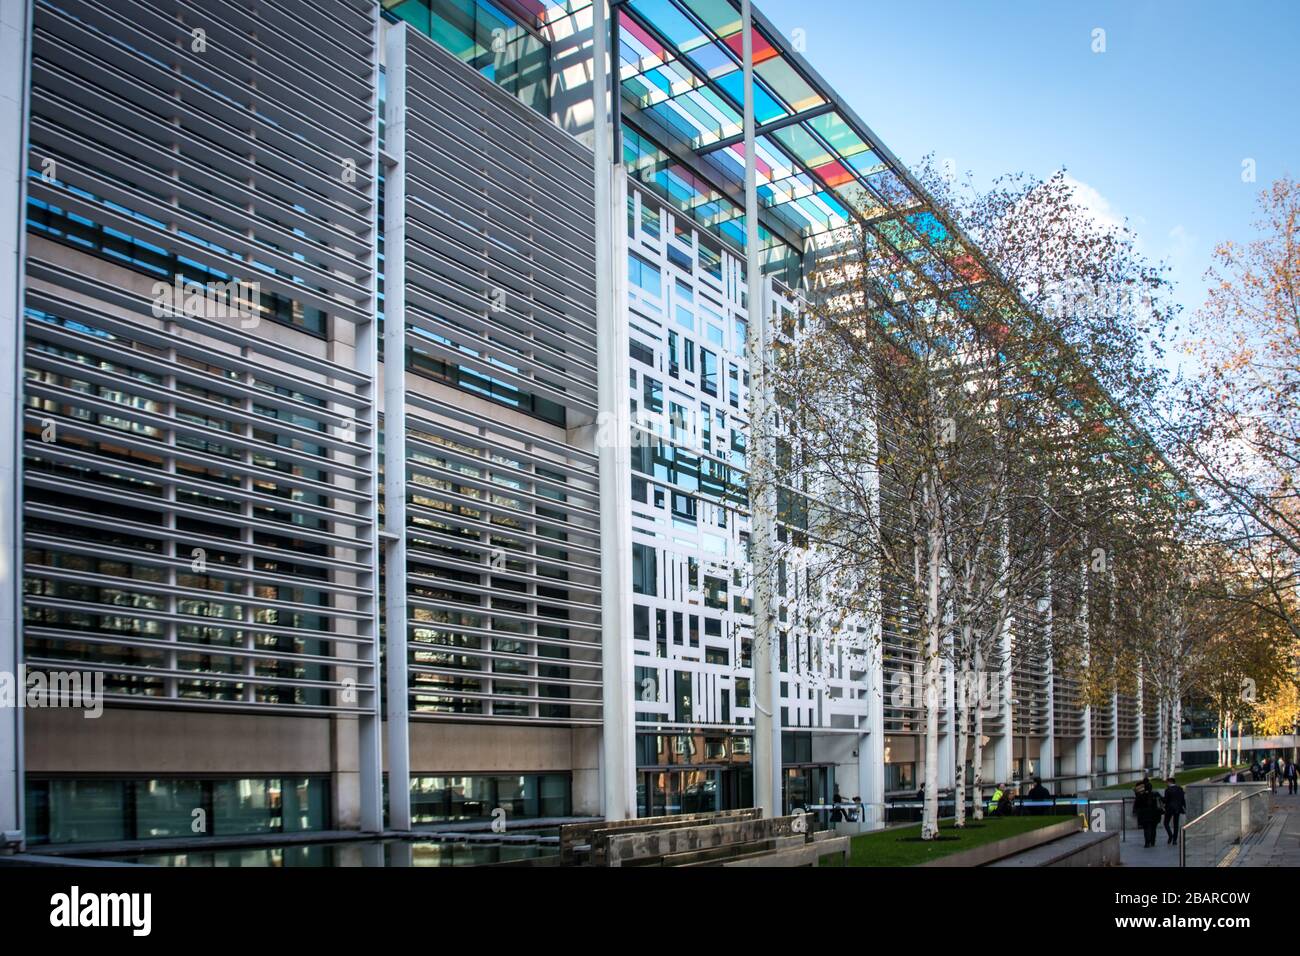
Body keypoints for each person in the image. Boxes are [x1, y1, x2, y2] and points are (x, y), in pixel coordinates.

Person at [1133, 778, 1163, 848]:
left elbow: (1137, 804)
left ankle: (1147, 842)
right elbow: (1163, 800)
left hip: (1145, 814)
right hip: (1155, 814)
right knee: (1153, 828)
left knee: (1146, 829)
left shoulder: (1140, 796)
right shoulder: (1155, 794)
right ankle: (1152, 842)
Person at [1163, 776, 1186, 845]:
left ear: (1170, 782)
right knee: (1176, 824)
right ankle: (1175, 840)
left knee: (1166, 823)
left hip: (1169, 808)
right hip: (1177, 808)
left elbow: (1165, 800)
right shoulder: (1180, 789)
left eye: (1167, 782)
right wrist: (1184, 806)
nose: (1166, 784)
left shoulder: (1168, 790)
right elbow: (1182, 799)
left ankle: (1170, 835)